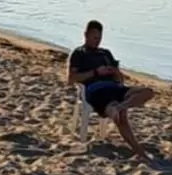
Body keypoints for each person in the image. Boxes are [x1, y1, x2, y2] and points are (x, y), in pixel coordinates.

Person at [66, 19, 155, 159]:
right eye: (94, 37)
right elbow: (71, 79)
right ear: (86, 35)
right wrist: (96, 72)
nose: (97, 41)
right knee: (120, 118)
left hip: (114, 86)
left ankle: (121, 106)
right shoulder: (79, 53)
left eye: (99, 38)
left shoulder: (105, 53)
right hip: (96, 91)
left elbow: (120, 80)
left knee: (148, 92)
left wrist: (114, 71)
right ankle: (140, 152)